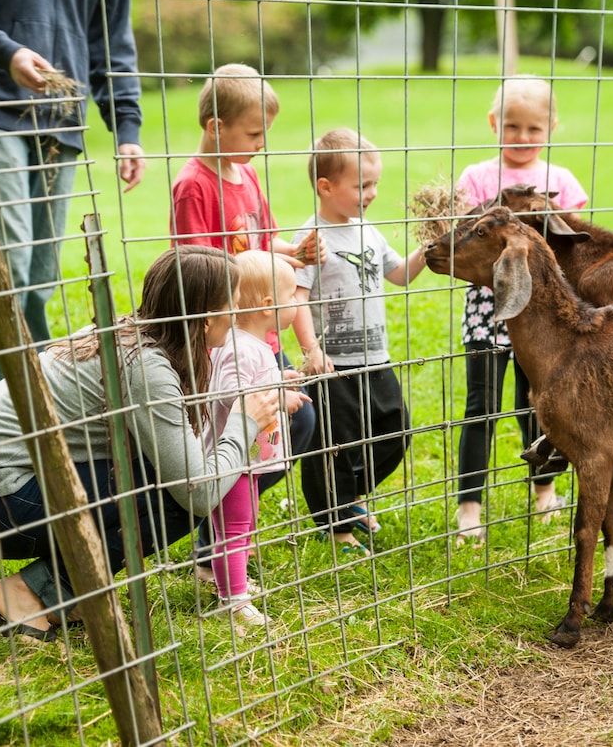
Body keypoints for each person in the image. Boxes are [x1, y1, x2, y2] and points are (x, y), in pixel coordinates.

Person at [0, 246, 296, 641]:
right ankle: (29, 592)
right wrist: (245, 421)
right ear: (205, 318)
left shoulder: (139, 334)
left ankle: (70, 592)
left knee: (166, 473)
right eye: (233, 305)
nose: (239, 314)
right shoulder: (147, 368)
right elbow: (199, 492)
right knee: (174, 498)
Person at [0, 0, 147, 407]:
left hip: (60, 116)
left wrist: (126, 125)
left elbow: (110, 33)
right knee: (7, 268)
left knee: (39, 277)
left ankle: (26, 408)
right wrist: (2, 50)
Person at [170, 63, 323, 582]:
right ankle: (218, 539)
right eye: (253, 133)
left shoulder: (248, 174)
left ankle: (229, 526)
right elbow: (198, 266)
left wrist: (291, 253)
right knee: (240, 429)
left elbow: (260, 241)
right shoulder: (194, 185)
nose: (260, 144)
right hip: (224, 337)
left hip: (261, 327)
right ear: (215, 126)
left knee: (291, 424)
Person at [454, 75, 589, 546]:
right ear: (494, 123)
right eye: (512, 126)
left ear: (551, 126)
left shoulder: (562, 183)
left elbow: (569, 244)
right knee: (481, 405)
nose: (522, 138)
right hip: (487, 307)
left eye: (533, 128)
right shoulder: (476, 178)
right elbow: (469, 241)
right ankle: (469, 505)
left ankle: (544, 490)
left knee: (535, 403)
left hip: (541, 312)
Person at [292, 128, 427, 557]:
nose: (371, 193)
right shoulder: (313, 238)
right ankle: (338, 527)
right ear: (325, 187)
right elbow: (296, 297)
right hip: (334, 363)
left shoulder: (370, 230)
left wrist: (430, 248)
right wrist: (312, 351)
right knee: (334, 442)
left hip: (376, 356)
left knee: (396, 429)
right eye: (361, 185)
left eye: (374, 184)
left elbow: (399, 274)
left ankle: (347, 498)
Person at [206, 251, 306, 627]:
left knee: (245, 524)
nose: (298, 302)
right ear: (268, 305)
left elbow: (254, 385)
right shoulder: (238, 347)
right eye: (293, 295)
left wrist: (281, 381)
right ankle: (233, 601)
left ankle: (236, 586)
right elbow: (234, 394)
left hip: (250, 456)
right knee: (232, 528)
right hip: (233, 456)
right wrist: (281, 396)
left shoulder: (255, 345)